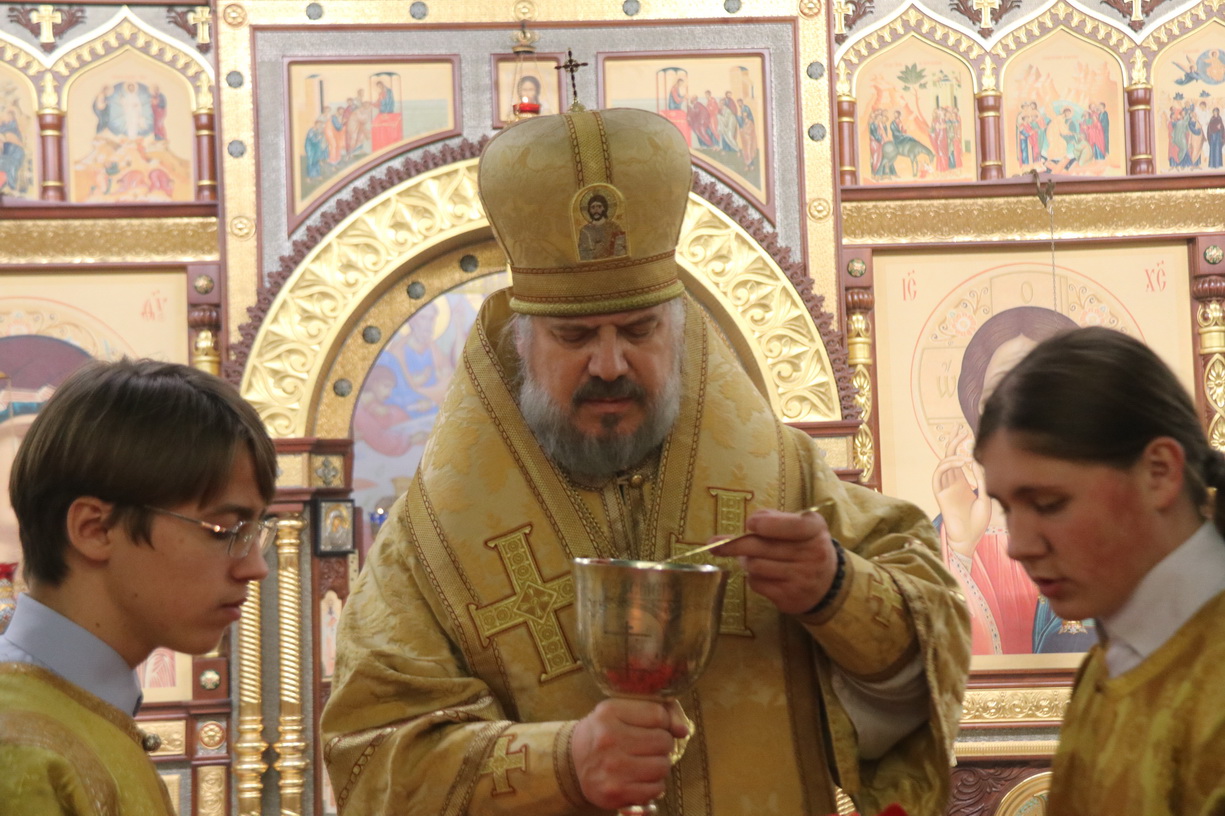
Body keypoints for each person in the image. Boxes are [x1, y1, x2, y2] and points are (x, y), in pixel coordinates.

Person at [321, 107, 970, 816]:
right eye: (574, 337)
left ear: (678, 332)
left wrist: (835, 589)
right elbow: (372, 757)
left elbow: (929, 650)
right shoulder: (432, 541)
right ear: (522, 344)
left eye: (638, 330)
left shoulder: (785, 478)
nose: (609, 363)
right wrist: (560, 764)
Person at [0, 359, 277, 814]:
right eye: (225, 531)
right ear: (95, 529)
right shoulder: (19, 746)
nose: (255, 567)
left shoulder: (80, 708)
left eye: (254, 534)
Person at [974, 327, 1225, 814]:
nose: (1018, 547)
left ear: (1159, 472)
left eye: (1048, 503)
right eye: (1007, 508)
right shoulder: (1107, 664)